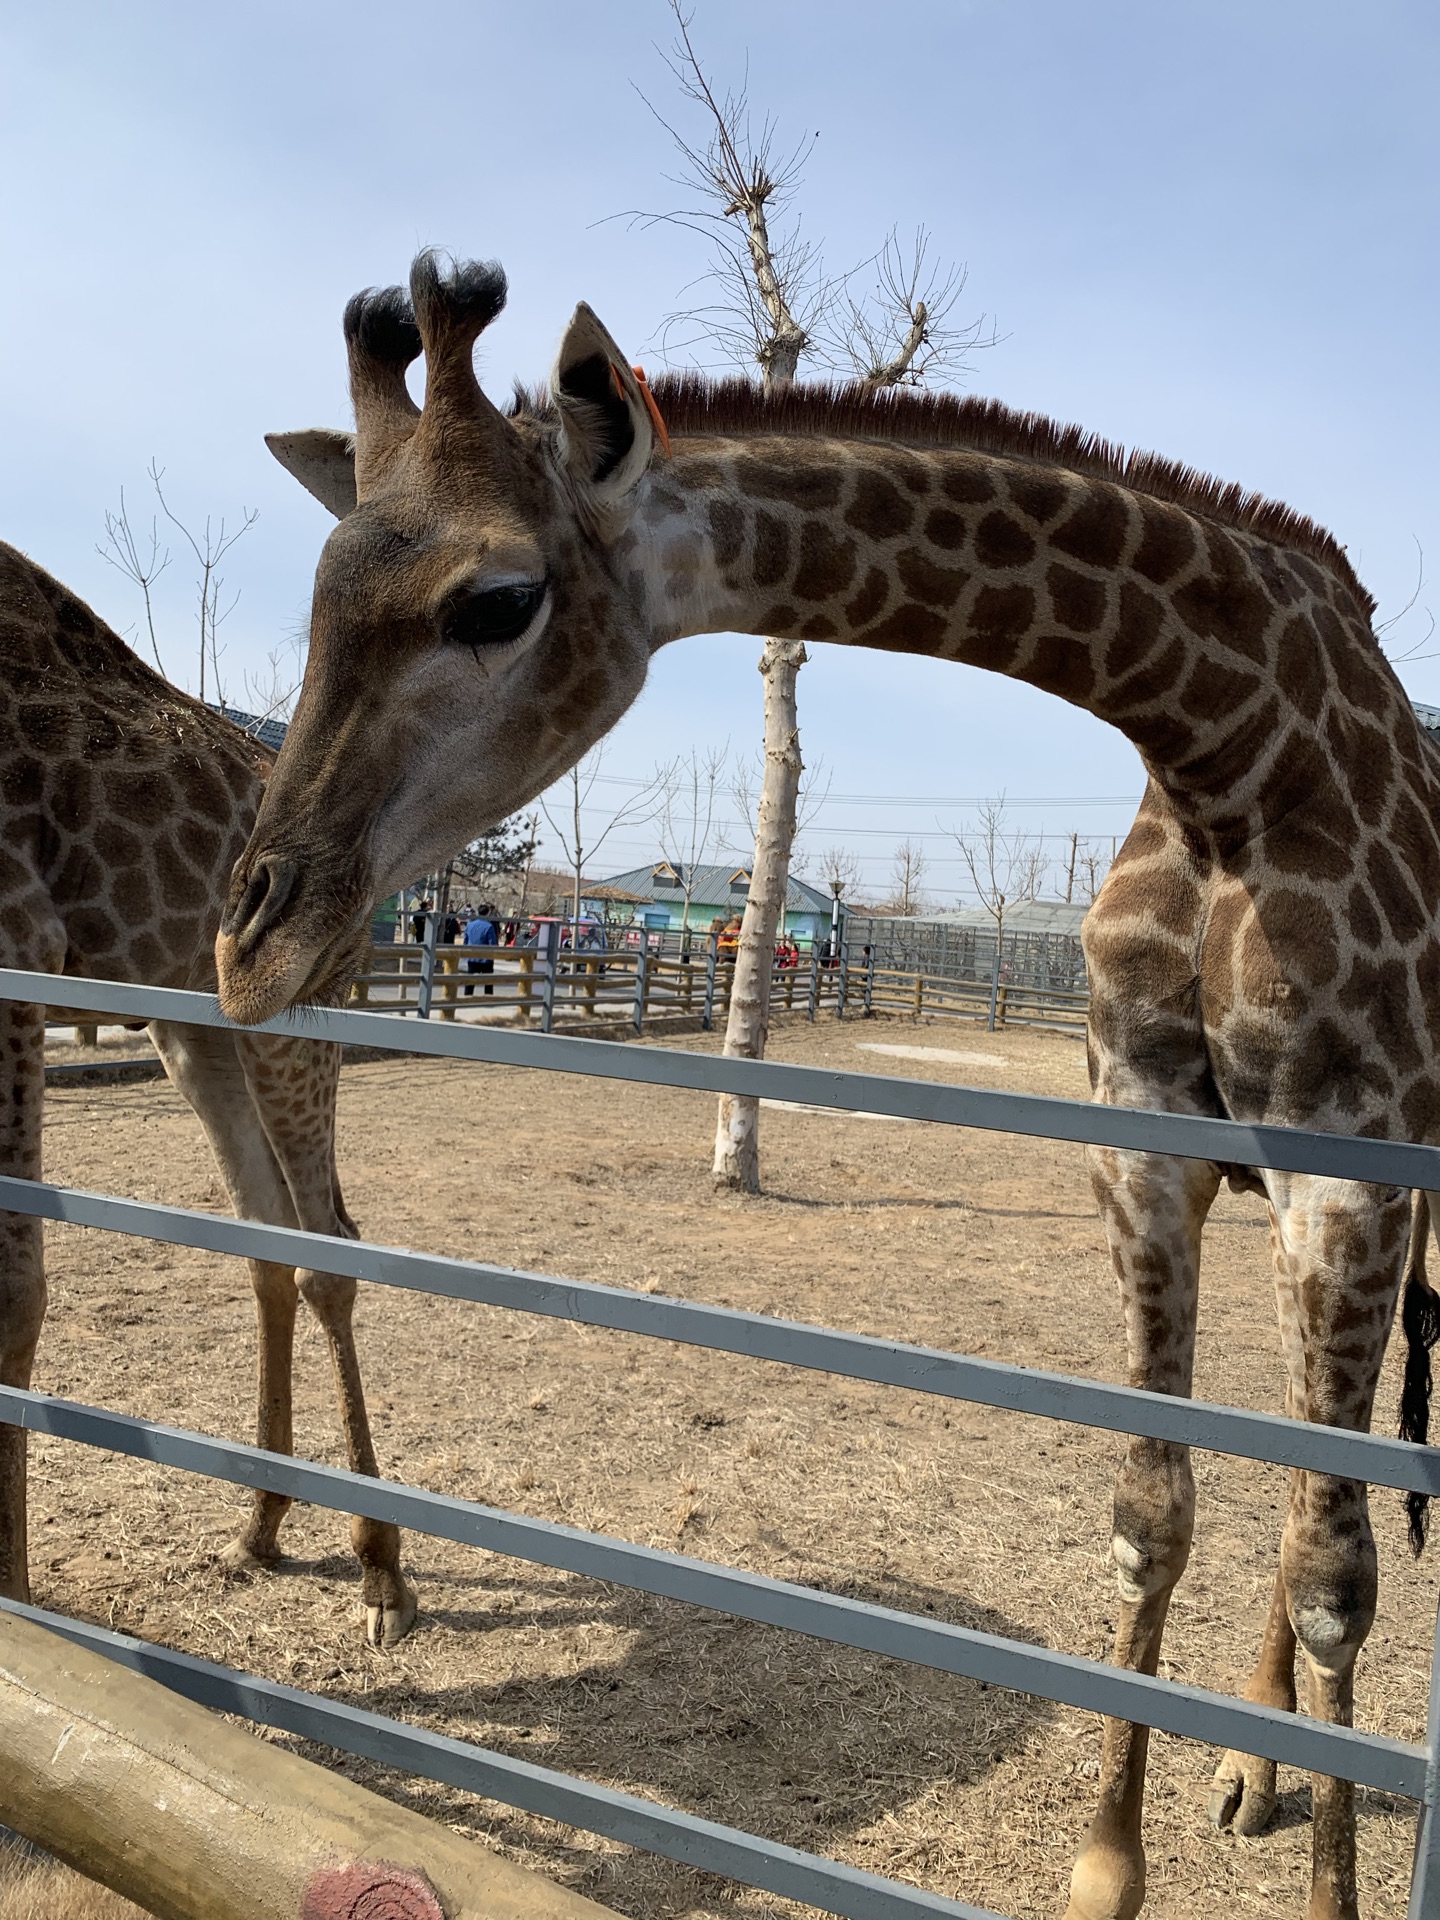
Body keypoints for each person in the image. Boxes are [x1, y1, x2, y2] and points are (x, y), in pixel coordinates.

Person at [463, 902, 499, 995]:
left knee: (470, 980)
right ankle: (488, 999)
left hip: (472, 956)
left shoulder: (470, 925)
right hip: (486, 958)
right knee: (488, 982)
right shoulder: (489, 926)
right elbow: (492, 944)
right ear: (487, 913)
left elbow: (465, 941)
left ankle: (467, 997)